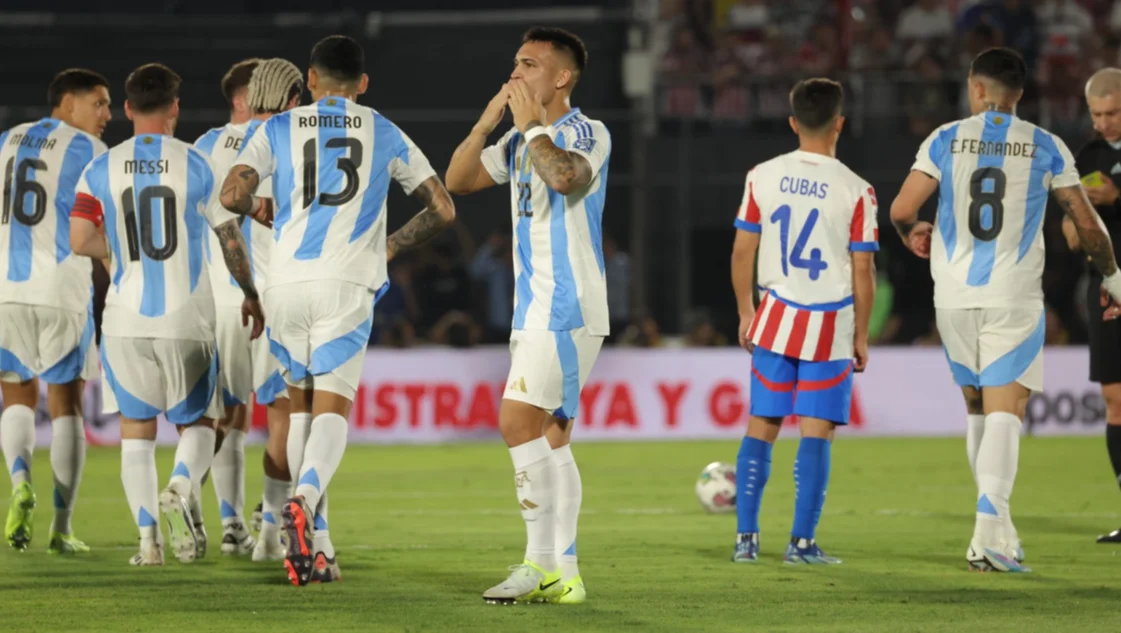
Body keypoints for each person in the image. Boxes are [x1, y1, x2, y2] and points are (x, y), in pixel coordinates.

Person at [221, 35, 455, 586]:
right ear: (363, 84)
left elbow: (231, 196)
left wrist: (260, 204)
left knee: (299, 410)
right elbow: (442, 208)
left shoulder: (276, 128)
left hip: (283, 283)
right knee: (331, 411)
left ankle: (319, 545)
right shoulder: (383, 129)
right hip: (345, 283)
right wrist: (392, 244)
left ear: (312, 79)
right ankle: (304, 500)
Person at [890, 47, 1121, 572]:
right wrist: (1112, 277)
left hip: (951, 295)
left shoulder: (944, 139)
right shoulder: (1045, 146)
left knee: (977, 410)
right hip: (1011, 295)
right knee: (1006, 413)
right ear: (1020, 96)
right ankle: (987, 537)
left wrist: (913, 232)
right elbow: (1088, 225)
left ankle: (1001, 531)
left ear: (976, 88)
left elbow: (903, 209)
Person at [68, 63, 264, 566]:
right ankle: (180, 485)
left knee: (136, 432)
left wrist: (120, 257)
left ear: (128, 108)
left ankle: (147, 544)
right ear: (175, 107)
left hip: (123, 319)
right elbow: (229, 237)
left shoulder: (99, 168)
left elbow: (79, 238)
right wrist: (249, 291)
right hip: (186, 319)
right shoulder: (197, 163)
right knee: (200, 423)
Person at [444, 26, 610, 605]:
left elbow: (566, 177)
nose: (516, 73)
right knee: (552, 436)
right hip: (537, 308)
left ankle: (537, 565)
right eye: (514, 62)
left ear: (561, 77)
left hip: (565, 305)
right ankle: (564, 573)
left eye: (530, 64)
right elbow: (457, 181)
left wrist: (530, 127)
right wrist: (489, 121)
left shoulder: (584, 132)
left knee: (516, 422)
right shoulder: (517, 139)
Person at [729, 78, 877, 566]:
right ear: (840, 124)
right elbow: (863, 267)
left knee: (762, 425)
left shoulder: (761, 175)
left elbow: (743, 249)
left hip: (774, 316)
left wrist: (746, 312)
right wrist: (861, 334)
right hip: (829, 323)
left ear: (793, 122)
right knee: (816, 433)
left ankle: (746, 541)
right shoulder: (858, 190)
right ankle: (801, 544)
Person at [192, 58, 305, 562]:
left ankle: (225, 519)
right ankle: (270, 535)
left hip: (214, 299)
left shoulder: (201, 148)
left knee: (225, 417)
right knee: (285, 412)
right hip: (272, 294)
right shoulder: (290, 138)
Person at [0, 68, 112, 554]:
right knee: (66, 408)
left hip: (5, 289)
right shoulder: (91, 153)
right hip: (61, 291)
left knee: (16, 395)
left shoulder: (6, 140)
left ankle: (19, 481)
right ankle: (61, 529)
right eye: (100, 103)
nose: (107, 115)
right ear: (68, 103)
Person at [1062, 67, 1121, 544]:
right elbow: (1069, 227)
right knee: (1115, 399)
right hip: (1107, 288)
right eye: (1097, 114)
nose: (1103, 123)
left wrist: (1111, 196)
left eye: (1113, 113)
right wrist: (1079, 219)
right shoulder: (1088, 156)